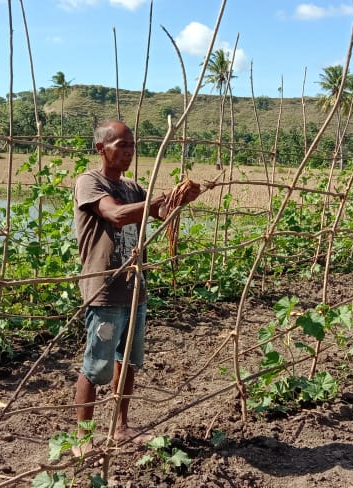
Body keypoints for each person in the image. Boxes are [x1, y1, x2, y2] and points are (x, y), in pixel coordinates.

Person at [72, 120, 200, 455]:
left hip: (135, 290)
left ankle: (121, 426)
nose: (129, 152)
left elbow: (160, 212)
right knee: (95, 367)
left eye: (132, 145)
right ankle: (83, 439)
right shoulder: (90, 182)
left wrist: (180, 198)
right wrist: (159, 199)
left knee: (127, 361)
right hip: (105, 289)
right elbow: (115, 215)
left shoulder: (133, 187)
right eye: (122, 145)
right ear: (101, 148)